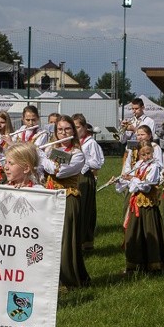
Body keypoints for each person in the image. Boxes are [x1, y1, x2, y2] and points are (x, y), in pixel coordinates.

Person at [39, 115, 90, 289]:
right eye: (59, 129)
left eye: (67, 129)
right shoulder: (50, 149)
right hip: (50, 197)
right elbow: (42, 171)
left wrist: (41, 158)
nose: (63, 133)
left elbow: (59, 172)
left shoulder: (77, 154)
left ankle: (68, 279)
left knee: (66, 240)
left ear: (73, 131)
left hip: (68, 198)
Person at [115, 141, 164, 273]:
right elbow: (133, 186)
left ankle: (153, 264)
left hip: (148, 204)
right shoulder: (139, 164)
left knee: (149, 231)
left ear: (152, 152)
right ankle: (135, 264)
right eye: (142, 154)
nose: (145, 157)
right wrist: (123, 179)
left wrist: (133, 179)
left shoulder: (154, 166)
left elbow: (146, 185)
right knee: (134, 232)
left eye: (148, 153)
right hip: (136, 203)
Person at [73, 114, 104, 251]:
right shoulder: (72, 141)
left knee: (85, 208)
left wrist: (83, 163)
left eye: (78, 127)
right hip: (73, 176)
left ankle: (84, 241)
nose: (76, 130)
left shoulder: (90, 143)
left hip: (85, 177)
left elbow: (98, 162)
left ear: (85, 127)